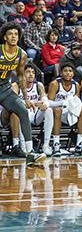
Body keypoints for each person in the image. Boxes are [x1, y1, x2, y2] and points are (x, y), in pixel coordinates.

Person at [0, 21, 45, 164]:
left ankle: (30, 152)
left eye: (16, 34)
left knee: (23, 111)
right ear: (5, 37)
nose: (13, 36)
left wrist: (25, 98)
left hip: (5, 89)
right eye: (10, 34)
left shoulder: (22, 54)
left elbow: (20, 75)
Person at [48, 63, 82, 157]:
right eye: (65, 71)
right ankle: (56, 144)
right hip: (55, 113)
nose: (68, 73)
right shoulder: (55, 84)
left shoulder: (76, 85)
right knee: (57, 110)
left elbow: (77, 103)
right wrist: (63, 103)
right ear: (61, 73)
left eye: (70, 71)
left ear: (73, 74)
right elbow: (49, 103)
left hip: (68, 113)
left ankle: (79, 143)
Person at [13, 63, 54, 156]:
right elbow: (14, 103)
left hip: (35, 115)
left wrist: (45, 105)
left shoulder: (38, 85)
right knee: (20, 111)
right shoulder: (16, 86)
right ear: (22, 74)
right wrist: (34, 103)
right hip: (22, 115)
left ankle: (46, 145)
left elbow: (46, 101)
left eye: (33, 72)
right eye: (28, 72)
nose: (31, 74)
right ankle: (23, 146)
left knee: (49, 110)